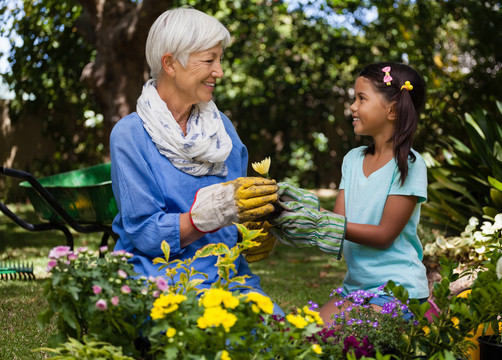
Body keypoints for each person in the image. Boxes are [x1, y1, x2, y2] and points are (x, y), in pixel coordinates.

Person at [109, 7, 283, 315]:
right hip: (160, 279)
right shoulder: (130, 135)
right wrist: (204, 217)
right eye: (209, 60)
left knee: (280, 334)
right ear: (170, 63)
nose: (220, 71)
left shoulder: (222, 131)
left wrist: (255, 231)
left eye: (220, 59)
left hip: (227, 276)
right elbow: (146, 234)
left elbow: (237, 214)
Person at [270, 62, 429, 324]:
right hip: (356, 289)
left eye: (361, 98)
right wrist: (292, 211)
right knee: (300, 338)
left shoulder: (409, 165)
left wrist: (318, 218)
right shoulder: (353, 160)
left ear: (391, 109)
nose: (352, 107)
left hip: (399, 292)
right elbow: (339, 224)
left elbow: (383, 236)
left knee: (327, 341)